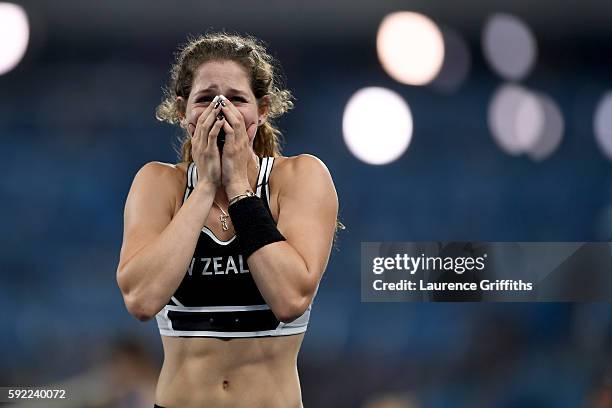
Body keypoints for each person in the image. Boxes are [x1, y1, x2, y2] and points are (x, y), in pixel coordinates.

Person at [116, 32, 339, 408]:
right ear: (183, 111)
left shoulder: (299, 178)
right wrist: (204, 186)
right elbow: (141, 298)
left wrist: (236, 185)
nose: (222, 113)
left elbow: (290, 298)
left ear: (262, 109)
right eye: (205, 100)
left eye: (237, 99)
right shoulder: (159, 184)